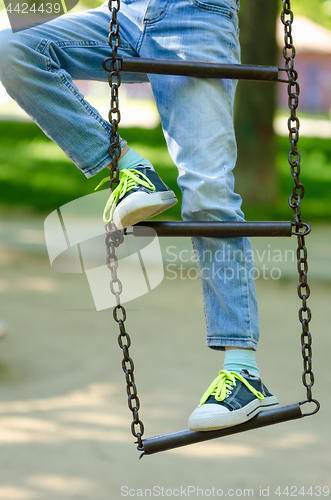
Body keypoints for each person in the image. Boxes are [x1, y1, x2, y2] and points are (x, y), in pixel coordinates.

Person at [0, 0, 279, 432]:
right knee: (10, 49)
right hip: (126, 14)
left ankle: (243, 373)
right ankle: (128, 168)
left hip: (196, 15)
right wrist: (28, 8)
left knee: (207, 194)